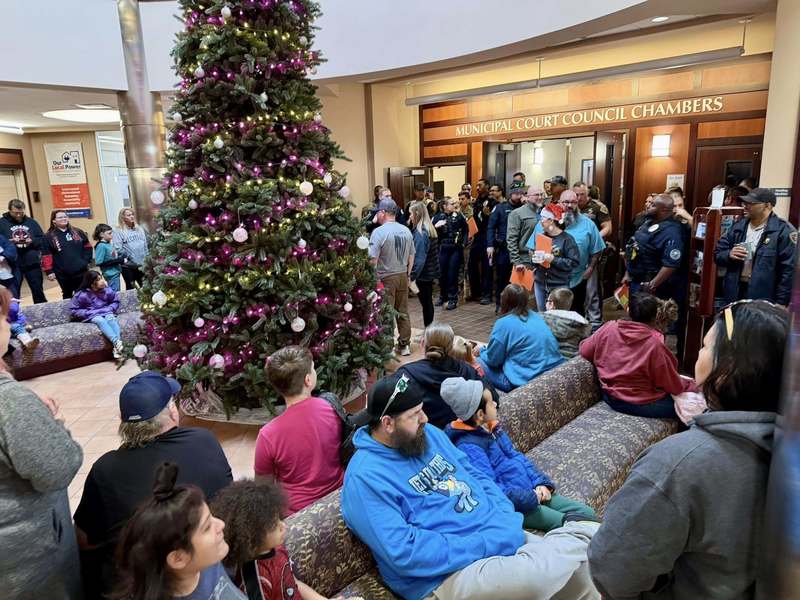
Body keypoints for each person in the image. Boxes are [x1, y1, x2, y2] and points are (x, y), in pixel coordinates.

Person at [588, 300, 789, 599]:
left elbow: (611, 572)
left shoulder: (676, 466)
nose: (699, 353)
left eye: (706, 346)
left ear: (727, 368)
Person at [341, 372, 600, 600]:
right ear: (387, 423)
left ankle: (581, 539)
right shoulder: (364, 478)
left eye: (422, 409)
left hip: (494, 533)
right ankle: (586, 534)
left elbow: (476, 475)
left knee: (581, 576)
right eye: (414, 414)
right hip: (444, 575)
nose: (424, 418)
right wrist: (486, 542)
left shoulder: (428, 435)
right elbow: (405, 551)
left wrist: (505, 516)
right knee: (537, 579)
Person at [74, 370, 233, 599]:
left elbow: (85, 540)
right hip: (210, 564)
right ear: (172, 411)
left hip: (137, 586)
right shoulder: (204, 440)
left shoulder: (104, 469)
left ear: (122, 421)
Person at [0, 287, 83, 599]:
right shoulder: (10, 401)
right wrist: (52, 426)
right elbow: (59, 468)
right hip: (27, 563)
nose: (8, 326)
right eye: (3, 317)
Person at [442, 376, 596, 531]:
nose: (496, 404)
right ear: (480, 414)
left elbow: (515, 456)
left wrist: (540, 483)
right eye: (490, 402)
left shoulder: (491, 427)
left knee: (587, 513)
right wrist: (531, 497)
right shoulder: (469, 448)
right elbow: (492, 490)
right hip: (518, 506)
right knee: (573, 525)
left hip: (532, 491)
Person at [110, 462, 246, 600]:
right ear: (178, 558)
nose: (221, 524)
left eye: (211, 517)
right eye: (207, 527)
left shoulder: (206, 562)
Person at [210, 479, 340, 600]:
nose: (282, 526)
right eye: (273, 526)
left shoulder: (276, 547)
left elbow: (292, 583)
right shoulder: (256, 580)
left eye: (279, 518)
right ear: (252, 536)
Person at [255, 346, 344, 514]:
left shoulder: (268, 435)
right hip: (341, 497)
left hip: (299, 515)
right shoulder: (330, 407)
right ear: (308, 380)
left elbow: (263, 487)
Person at [579, 292, 693, 419]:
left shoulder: (609, 328)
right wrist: (692, 386)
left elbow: (584, 350)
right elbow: (673, 385)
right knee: (695, 407)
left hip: (609, 396)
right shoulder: (654, 344)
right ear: (656, 315)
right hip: (638, 403)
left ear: (629, 311)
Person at [396, 322, 496, 429]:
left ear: (422, 343)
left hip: (423, 436)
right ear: (451, 348)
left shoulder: (406, 374)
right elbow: (493, 397)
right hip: (460, 433)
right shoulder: (467, 370)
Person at [624, 193, 687, 355]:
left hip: (655, 286)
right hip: (638, 280)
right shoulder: (647, 223)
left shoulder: (673, 231)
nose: (648, 206)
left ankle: (651, 358)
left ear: (664, 210)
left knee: (654, 326)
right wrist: (628, 273)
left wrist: (652, 284)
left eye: (653, 205)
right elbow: (635, 248)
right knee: (637, 323)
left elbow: (671, 264)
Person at [714, 188, 797, 306]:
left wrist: (781, 302)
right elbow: (717, 253)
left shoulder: (783, 231)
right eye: (745, 202)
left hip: (763, 298)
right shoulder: (738, 227)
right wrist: (729, 254)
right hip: (734, 294)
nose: (745, 206)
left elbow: (788, 270)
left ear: (767, 206)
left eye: (751, 203)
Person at [476, 284, 564, 393]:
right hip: (552, 372)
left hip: (525, 380)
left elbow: (493, 360)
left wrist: (481, 351)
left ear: (505, 302)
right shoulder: (536, 316)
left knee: (475, 361)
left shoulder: (503, 323)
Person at [534, 190, 605, 318]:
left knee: (575, 316)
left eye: (573, 202)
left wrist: (590, 268)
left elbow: (597, 249)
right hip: (550, 281)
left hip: (577, 279)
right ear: (559, 203)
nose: (569, 206)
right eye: (566, 202)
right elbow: (531, 247)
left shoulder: (588, 224)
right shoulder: (545, 223)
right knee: (550, 317)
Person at [368, 197, 414, 355]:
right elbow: (411, 256)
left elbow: (372, 260)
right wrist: (408, 275)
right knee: (403, 311)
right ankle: (404, 345)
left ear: (382, 212)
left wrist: (373, 280)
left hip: (385, 278)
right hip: (402, 274)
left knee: (386, 313)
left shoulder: (379, 232)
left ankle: (388, 348)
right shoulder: (406, 230)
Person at [529, 203, 580, 312]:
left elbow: (574, 263)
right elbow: (535, 259)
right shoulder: (541, 237)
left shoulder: (567, 239)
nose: (540, 221)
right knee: (542, 316)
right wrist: (535, 260)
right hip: (541, 283)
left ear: (551, 220)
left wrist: (553, 259)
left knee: (558, 317)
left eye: (543, 218)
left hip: (559, 285)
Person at [575, 182, 611, 327]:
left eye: (582, 194)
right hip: (574, 253)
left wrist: (593, 238)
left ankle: (595, 320)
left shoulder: (597, 207)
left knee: (592, 287)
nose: (578, 198)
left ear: (588, 194)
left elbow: (608, 228)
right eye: (576, 194)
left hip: (592, 252)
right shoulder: (569, 206)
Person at [0, 198, 47, 302]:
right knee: (14, 293)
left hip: (31, 262)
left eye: (21, 213)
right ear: (9, 210)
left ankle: (42, 314)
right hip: (12, 264)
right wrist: (8, 243)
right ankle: (14, 314)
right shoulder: (2, 223)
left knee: (38, 291)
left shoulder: (31, 222)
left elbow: (42, 239)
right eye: (15, 213)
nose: (18, 215)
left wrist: (32, 241)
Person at [70, 270, 124, 359]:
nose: (102, 281)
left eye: (101, 278)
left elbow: (115, 301)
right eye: (99, 280)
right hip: (92, 315)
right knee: (100, 320)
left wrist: (111, 308)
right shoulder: (81, 294)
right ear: (91, 283)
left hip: (106, 311)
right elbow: (74, 309)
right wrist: (87, 313)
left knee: (111, 318)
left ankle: (117, 347)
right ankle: (117, 342)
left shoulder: (107, 290)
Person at [42, 209, 92, 299]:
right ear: (54, 220)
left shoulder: (78, 232)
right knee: (67, 294)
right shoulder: (48, 236)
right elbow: (46, 255)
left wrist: (86, 261)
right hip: (62, 273)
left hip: (81, 270)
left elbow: (88, 247)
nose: (64, 219)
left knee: (84, 293)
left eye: (65, 216)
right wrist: (49, 271)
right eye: (60, 217)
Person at [408, 201, 440, 327]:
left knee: (426, 304)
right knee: (427, 303)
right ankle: (429, 329)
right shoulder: (428, 228)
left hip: (423, 274)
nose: (409, 216)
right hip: (428, 273)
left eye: (411, 213)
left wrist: (412, 276)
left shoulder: (420, 233)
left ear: (416, 213)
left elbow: (419, 259)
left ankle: (429, 330)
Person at [433, 197, 468, 310]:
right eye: (451, 204)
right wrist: (436, 227)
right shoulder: (438, 217)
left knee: (452, 274)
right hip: (443, 248)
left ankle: (453, 298)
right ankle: (443, 296)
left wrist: (463, 243)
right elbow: (430, 232)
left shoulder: (458, 216)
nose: (454, 205)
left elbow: (466, 229)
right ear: (444, 206)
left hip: (455, 248)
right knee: (442, 273)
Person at [541, 288, 592, 359]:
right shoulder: (583, 322)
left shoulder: (541, 319)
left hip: (550, 361)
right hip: (573, 361)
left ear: (551, 304)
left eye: (547, 301)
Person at [468, 178, 495, 304]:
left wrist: (489, 215)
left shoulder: (492, 202)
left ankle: (487, 294)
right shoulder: (477, 201)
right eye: (477, 185)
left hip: (487, 237)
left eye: (480, 185)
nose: (477, 187)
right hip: (477, 237)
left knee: (486, 267)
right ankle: (475, 293)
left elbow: (494, 221)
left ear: (487, 186)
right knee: (471, 265)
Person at [487, 184, 513, 313]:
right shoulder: (499, 208)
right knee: (502, 277)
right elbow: (491, 227)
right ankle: (500, 303)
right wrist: (490, 245)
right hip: (503, 247)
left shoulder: (521, 207)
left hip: (518, 248)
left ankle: (515, 305)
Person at [507, 186, 542, 276]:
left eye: (541, 194)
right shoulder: (517, 213)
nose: (540, 197)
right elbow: (511, 239)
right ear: (528, 197)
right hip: (524, 261)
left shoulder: (544, 213)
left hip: (542, 260)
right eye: (536, 195)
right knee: (523, 290)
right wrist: (517, 261)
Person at [113, 207, 149, 290]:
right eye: (128, 215)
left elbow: (145, 245)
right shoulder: (118, 231)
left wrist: (147, 260)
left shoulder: (139, 228)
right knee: (131, 287)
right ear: (123, 217)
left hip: (142, 264)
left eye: (132, 214)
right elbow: (118, 248)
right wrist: (128, 258)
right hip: (128, 266)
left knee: (145, 286)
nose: (132, 216)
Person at [94, 223, 124, 292]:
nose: (111, 235)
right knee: (114, 292)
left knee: (117, 291)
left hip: (115, 272)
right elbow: (99, 262)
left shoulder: (108, 244)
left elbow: (111, 255)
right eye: (109, 233)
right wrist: (117, 261)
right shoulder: (101, 246)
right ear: (101, 234)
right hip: (110, 274)